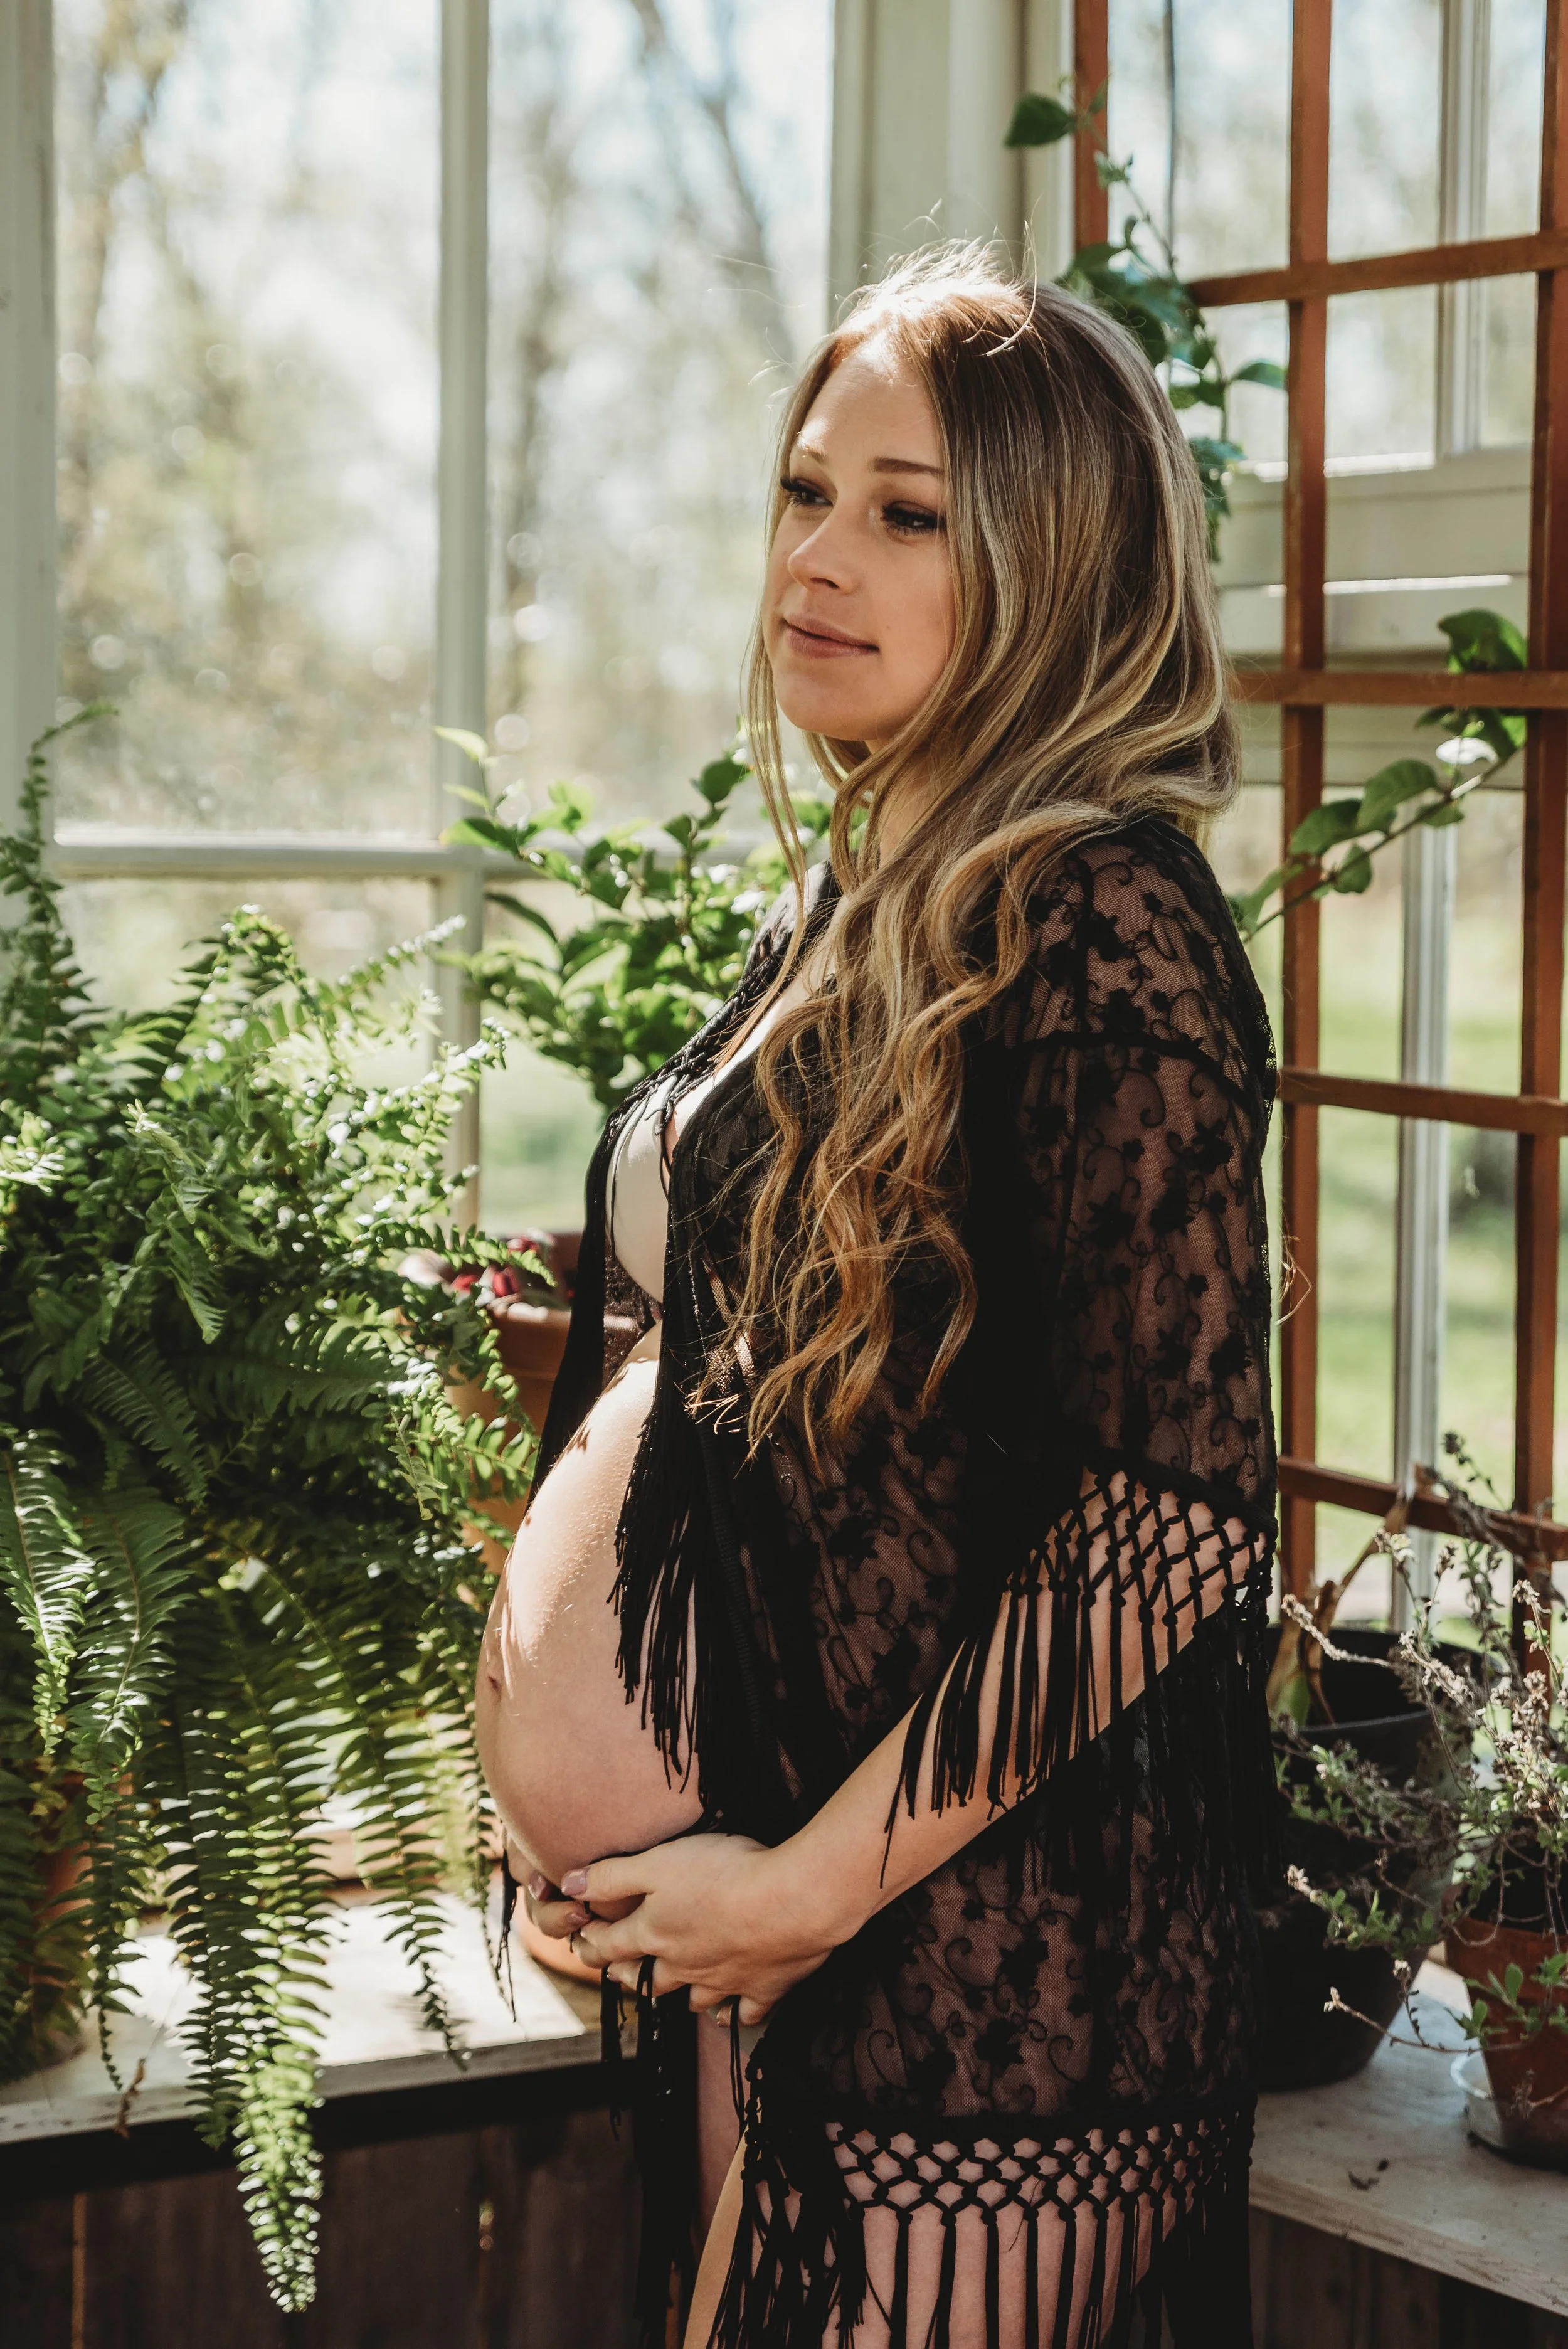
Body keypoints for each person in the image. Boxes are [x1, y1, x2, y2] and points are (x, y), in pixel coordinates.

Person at [475, 243, 1279, 2349]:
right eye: (803, 494)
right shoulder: (871, 889)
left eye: (907, 512)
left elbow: (1173, 1513)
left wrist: (802, 1881)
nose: (818, 560)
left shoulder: (1100, 924)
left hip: (975, 1978)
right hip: (784, 1930)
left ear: (1056, 557)